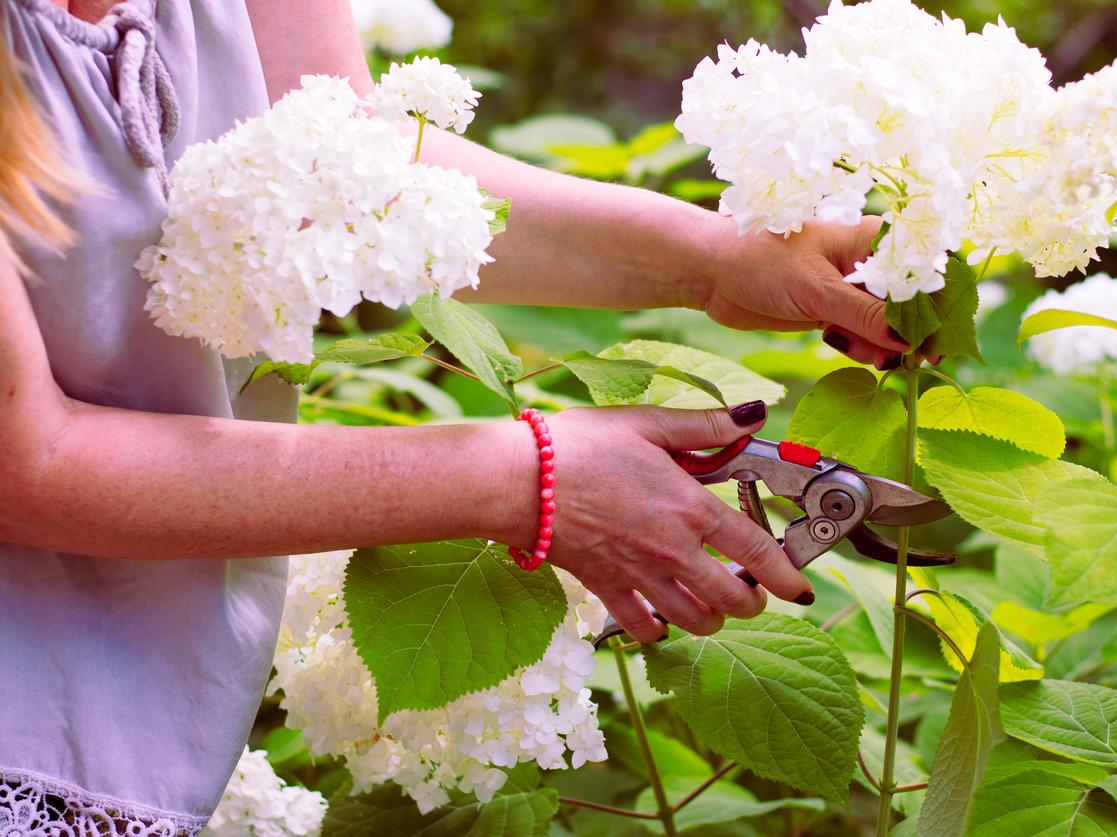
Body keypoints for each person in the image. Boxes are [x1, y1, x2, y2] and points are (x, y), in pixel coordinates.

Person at [0, 0, 908, 831]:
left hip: (141, 736)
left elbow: (355, 166)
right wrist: (526, 477)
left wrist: (712, 259)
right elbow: (25, 463)